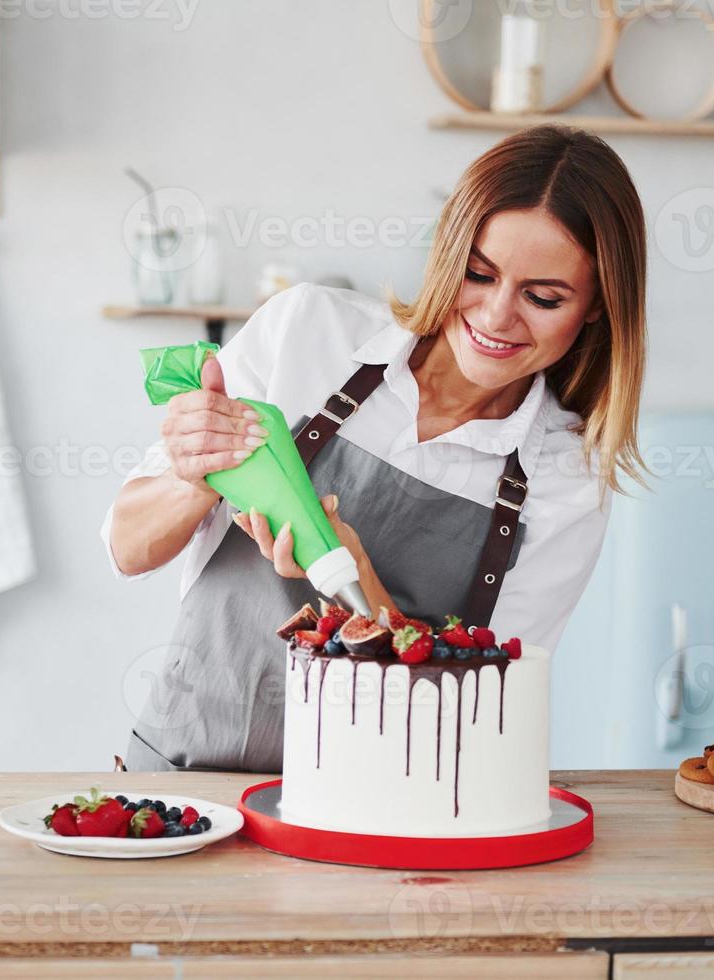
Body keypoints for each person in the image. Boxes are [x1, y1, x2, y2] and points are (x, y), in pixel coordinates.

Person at [104, 124, 647, 772]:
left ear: (595, 307)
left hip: (378, 823)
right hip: (181, 791)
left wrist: (354, 575)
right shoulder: (308, 331)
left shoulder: (566, 478)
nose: (497, 315)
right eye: (479, 273)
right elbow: (127, 548)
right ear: (448, 253)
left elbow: (485, 714)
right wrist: (196, 476)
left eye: (543, 296)